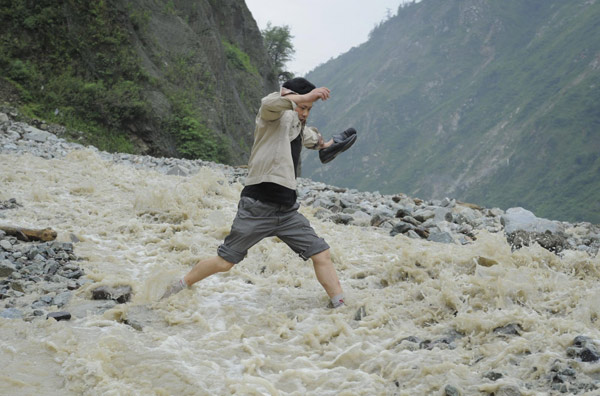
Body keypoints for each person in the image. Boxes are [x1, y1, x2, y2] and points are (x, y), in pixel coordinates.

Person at [161, 77, 357, 308]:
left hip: (287, 211)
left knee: (321, 253)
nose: (305, 113)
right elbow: (269, 103)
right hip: (257, 206)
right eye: (303, 108)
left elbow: (313, 139)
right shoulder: (271, 117)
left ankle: (340, 306)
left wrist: (330, 144)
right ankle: (176, 288)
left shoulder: (297, 125)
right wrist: (303, 99)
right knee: (225, 262)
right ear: (292, 99)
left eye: (309, 110)